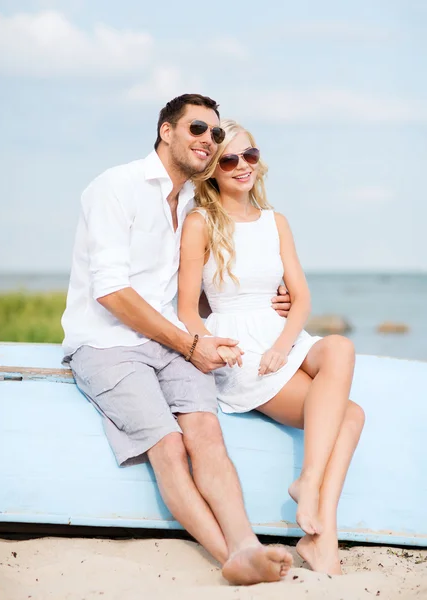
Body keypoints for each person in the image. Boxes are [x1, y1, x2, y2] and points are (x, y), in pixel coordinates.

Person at [61, 94, 293, 585]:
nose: (208, 140)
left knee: (207, 436)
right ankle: (229, 556)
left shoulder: (194, 202)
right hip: (106, 344)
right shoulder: (115, 186)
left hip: (168, 341)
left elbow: (191, 294)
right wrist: (190, 345)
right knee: (168, 446)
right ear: (167, 132)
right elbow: (111, 292)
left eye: (213, 133)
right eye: (196, 130)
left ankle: (246, 544)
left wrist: (269, 303)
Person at [178, 119, 366, 575]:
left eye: (251, 156)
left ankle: (309, 483)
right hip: (239, 347)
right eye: (229, 159)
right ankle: (324, 537)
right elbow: (186, 310)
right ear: (213, 170)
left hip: (280, 338)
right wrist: (210, 344)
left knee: (339, 346)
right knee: (353, 415)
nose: (243, 166)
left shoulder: (275, 221)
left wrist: (283, 347)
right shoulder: (201, 222)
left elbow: (301, 298)